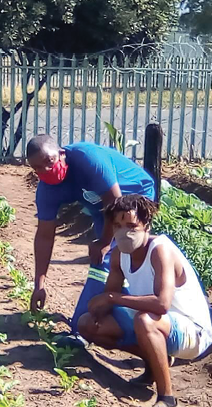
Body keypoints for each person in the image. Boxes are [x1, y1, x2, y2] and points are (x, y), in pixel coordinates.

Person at [77, 195, 212, 407]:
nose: (124, 233)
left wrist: (112, 297)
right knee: (88, 324)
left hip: (192, 331)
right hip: (158, 323)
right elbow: (110, 295)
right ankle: (154, 364)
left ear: (146, 226)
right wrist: (98, 306)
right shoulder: (120, 255)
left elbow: (162, 304)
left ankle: (168, 400)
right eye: (118, 226)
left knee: (145, 320)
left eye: (132, 226)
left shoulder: (160, 250)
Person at [25, 135, 156, 342]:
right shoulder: (47, 189)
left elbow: (116, 200)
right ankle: (116, 313)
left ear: (61, 154)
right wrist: (39, 284)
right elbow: (44, 235)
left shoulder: (88, 158)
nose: (45, 171)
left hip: (133, 194)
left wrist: (104, 242)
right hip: (101, 206)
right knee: (108, 261)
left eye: (48, 162)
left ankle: (81, 330)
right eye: (37, 169)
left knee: (108, 258)